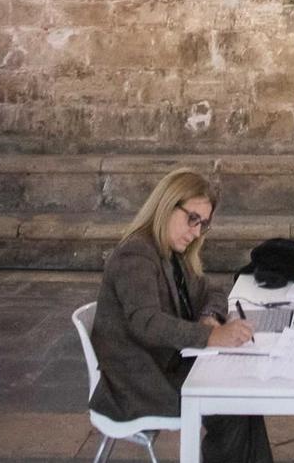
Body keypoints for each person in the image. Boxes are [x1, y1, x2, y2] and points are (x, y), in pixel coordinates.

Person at [89, 167, 275, 462]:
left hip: (165, 367)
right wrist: (211, 335)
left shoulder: (172, 254)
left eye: (202, 224)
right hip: (138, 383)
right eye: (192, 219)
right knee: (230, 401)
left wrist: (209, 317)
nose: (196, 232)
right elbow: (146, 322)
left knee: (243, 394)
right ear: (167, 205)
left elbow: (213, 292)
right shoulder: (136, 255)